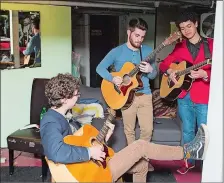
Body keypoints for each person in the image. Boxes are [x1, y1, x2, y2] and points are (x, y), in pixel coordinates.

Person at [40, 73, 210, 182]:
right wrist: (90, 152)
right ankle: (189, 152)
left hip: (86, 167)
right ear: (63, 98)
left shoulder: (61, 116)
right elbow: (56, 151)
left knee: (141, 165)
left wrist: (102, 140)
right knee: (140, 146)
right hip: (88, 176)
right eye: (76, 94)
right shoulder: (50, 121)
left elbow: (74, 143)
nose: (78, 96)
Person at [96, 17, 157, 172]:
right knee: (129, 130)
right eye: (137, 35)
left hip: (145, 95)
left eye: (142, 36)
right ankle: (134, 161)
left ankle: (142, 158)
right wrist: (112, 78)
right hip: (125, 97)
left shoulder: (149, 51)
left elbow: (154, 75)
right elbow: (100, 68)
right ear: (129, 32)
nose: (139, 39)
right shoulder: (117, 51)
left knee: (147, 130)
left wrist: (150, 71)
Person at [159, 11, 213, 174]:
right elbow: (163, 65)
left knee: (204, 132)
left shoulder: (211, 44)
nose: (186, 30)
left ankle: (207, 165)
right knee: (188, 130)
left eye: (189, 26)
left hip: (203, 95)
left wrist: (206, 75)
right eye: (182, 28)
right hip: (184, 96)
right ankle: (188, 162)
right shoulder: (179, 46)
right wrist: (170, 72)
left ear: (196, 24)